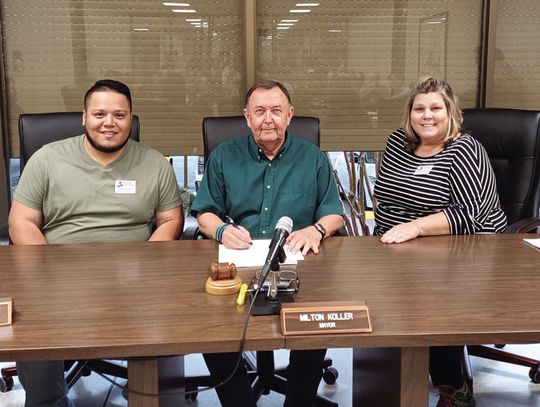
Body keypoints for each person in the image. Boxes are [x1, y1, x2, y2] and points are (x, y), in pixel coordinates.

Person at [9, 79, 184, 407]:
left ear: (131, 118)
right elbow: (21, 221)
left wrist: (149, 262)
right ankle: (49, 401)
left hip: (135, 278)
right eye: (99, 114)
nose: (109, 123)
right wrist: (44, 270)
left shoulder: (155, 164)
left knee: (171, 319)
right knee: (31, 324)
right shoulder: (47, 159)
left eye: (119, 115)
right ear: (84, 117)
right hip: (58, 275)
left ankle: (149, 395)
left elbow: (170, 220)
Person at [191, 79, 344, 406]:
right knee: (209, 328)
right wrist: (220, 231)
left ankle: (299, 400)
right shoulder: (224, 156)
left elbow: (335, 214)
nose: (268, 119)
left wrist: (316, 230)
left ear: (290, 115)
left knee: (315, 325)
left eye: (276, 110)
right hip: (239, 261)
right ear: (247, 117)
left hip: (299, 262)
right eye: (259, 111)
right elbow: (204, 212)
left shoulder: (312, 157)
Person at [374, 76, 507, 407]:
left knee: (432, 308)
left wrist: (415, 227)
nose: (426, 116)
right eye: (419, 108)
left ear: (451, 113)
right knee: (385, 305)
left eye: (436, 108)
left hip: (468, 252)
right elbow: (384, 199)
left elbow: (470, 215)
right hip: (406, 252)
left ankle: (454, 389)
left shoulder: (463, 149)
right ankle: (396, 384)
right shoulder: (397, 143)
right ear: (410, 113)